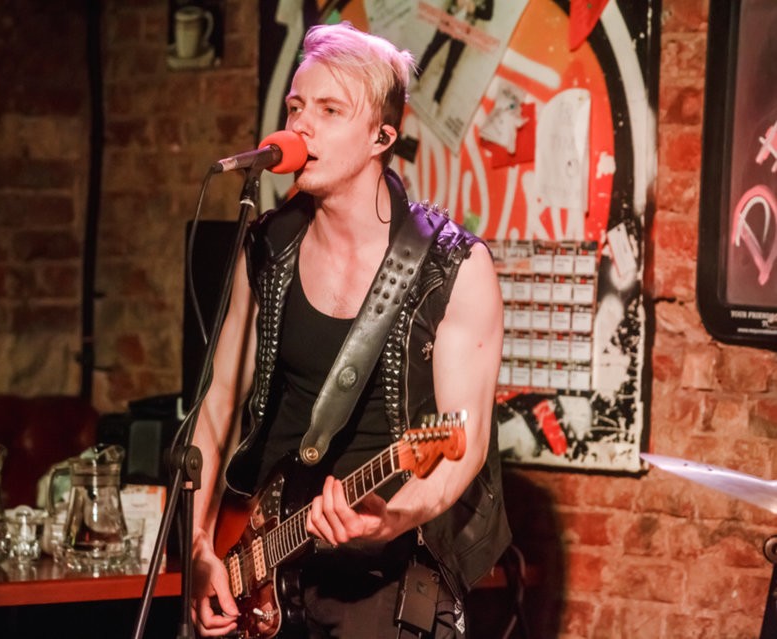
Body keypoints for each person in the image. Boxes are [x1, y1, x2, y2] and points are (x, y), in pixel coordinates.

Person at [190, 22, 510, 638]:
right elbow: (218, 401)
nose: (301, 126)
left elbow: (461, 445)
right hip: (261, 556)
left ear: (380, 137)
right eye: (296, 107)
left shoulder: (454, 267)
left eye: (330, 110)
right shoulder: (268, 245)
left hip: (384, 579)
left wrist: (394, 517)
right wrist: (203, 545)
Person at [416, 0, 494, 105]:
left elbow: (488, 15)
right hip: (449, 20)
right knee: (431, 49)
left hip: (464, 31)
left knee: (450, 66)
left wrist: (475, 10)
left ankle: (436, 101)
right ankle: (415, 79)